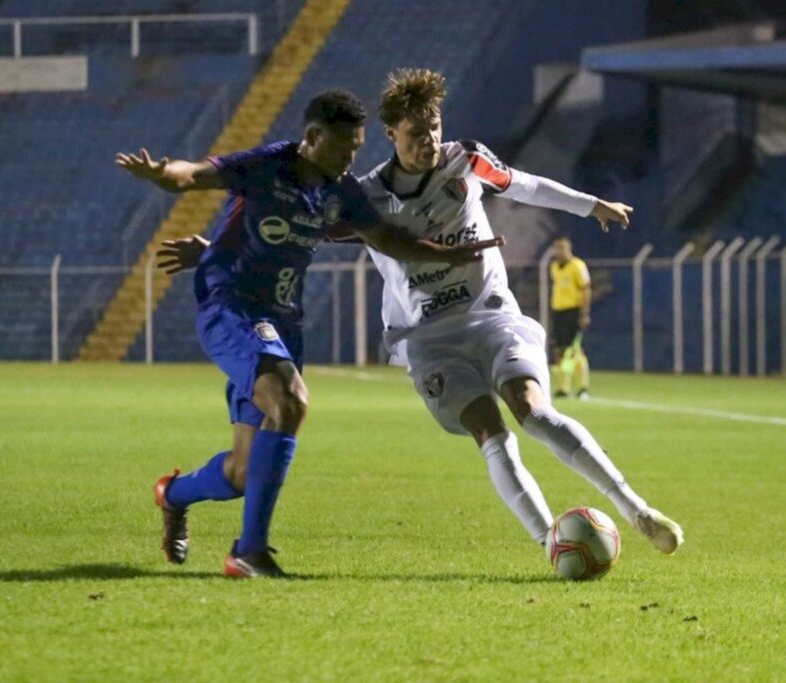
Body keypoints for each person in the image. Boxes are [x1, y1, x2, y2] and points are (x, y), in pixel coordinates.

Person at [161, 70, 683, 557]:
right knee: (490, 431)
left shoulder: (467, 160)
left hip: (493, 317)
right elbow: (296, 227)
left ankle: (635, 509)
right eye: (415, 133)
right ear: (391, 134)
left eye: (434, 128)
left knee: (534, 410)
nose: (428, 140)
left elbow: (523, 184)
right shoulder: (364, 196)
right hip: (427, 337)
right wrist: (211, 247)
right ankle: (551, 543)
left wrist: (591, 205)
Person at [117, 90, 500, 578]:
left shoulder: (339, 191)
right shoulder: (268, 165)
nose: (350, 161)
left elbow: (388, 239)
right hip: (231, 305)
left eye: (357, 150)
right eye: (343, 149)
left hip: (282, 321)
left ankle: (172, 495)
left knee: (241, 471)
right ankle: (248, 552)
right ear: (313, 138)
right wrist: (162, 174)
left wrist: (448, 253)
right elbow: (195, 174)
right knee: (291, 401)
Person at [549, 237, 592, 400]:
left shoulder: (578, 266)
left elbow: (586, 290)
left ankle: (582, 387)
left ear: (568, 249)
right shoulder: (554, 267)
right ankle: (563, 387)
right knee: (560, 350)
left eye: (561, 248)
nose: (558, 252)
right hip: (559, 312)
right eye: (556, 248)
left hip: (573, 312)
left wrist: (584, 314)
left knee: (573, 349)